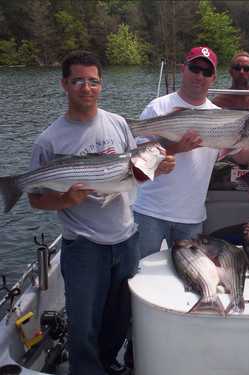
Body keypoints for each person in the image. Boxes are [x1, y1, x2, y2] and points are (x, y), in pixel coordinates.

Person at [28, 51, 175, 375]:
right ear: (64, 84)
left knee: (119, 320)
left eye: (93, 81)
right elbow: (35, 200)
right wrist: (66, 200)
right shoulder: (49, 140)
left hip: (125, 240)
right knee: (83, 325)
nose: (86, 87)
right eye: (78, 80)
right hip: (83, 247)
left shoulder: (119, 124)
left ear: (101, 85)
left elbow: (127, 175)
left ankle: (108, 364)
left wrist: (156, 169)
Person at [133, 46, 249, 259]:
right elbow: (137, 159)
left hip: (191, 217)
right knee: (138, 272)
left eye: (206, 72)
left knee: (188, 283)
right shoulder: (158, 107)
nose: (200, 75)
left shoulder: (221, 116)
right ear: (183, 69)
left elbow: (241, 157)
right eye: (195, 68)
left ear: (213, 78)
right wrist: (176, 148)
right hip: (150, 212)